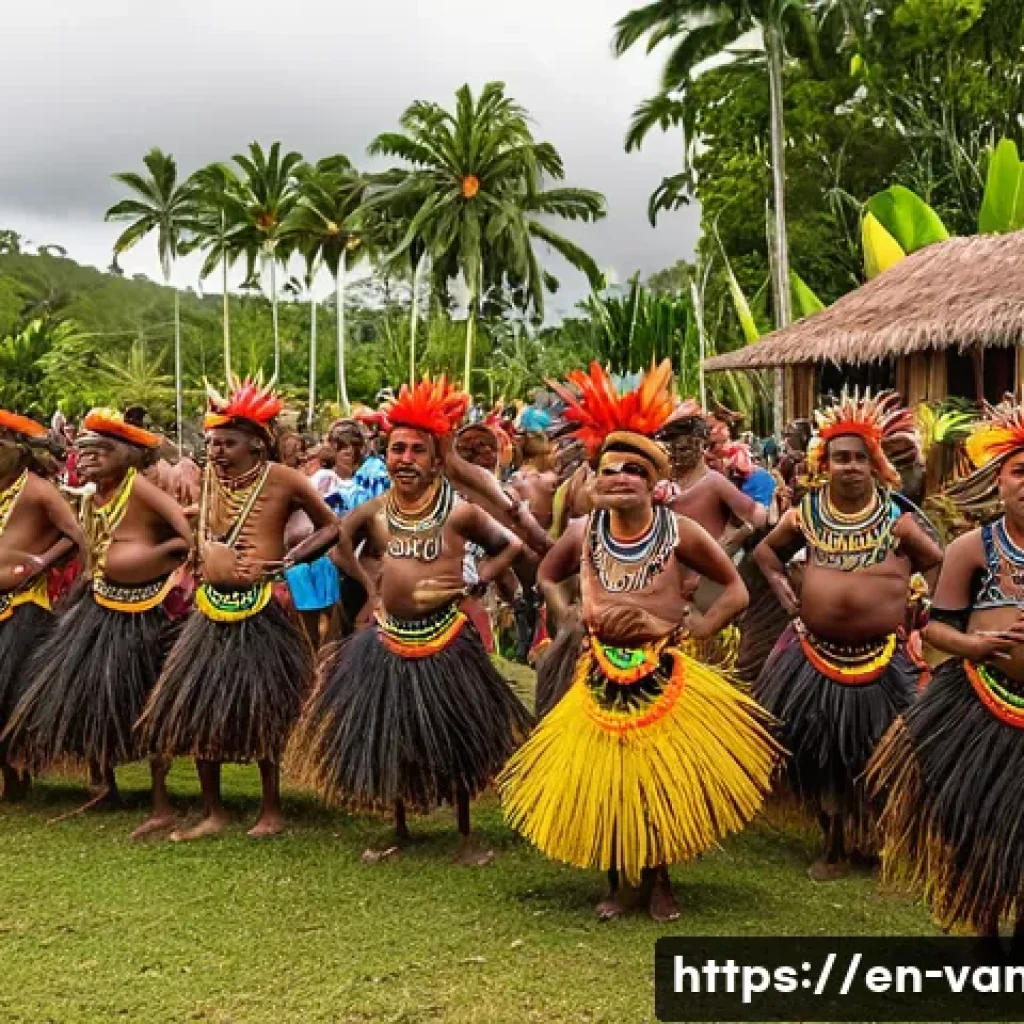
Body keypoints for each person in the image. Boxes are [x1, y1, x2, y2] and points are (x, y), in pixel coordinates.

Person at [499, 362, 781, 921]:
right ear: (596, 479)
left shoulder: (681, 532)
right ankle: (616, 881)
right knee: (606, 779)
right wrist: (568, 614)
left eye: (635, 469)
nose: (621, 478)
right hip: (598, 669)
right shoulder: (582, 533)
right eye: (611, 470)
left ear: (654, 481)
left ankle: (659, 880)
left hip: (663, 671)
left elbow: (734, 591)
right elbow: (546, 576)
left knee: (658, 779)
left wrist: (697, 627)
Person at [290, 375, 532, 865]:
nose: (404, 459)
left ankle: (466, 835)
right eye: (397, 448)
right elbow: (340, 540)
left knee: (457, 734)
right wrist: (370, 581)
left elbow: (511, 545)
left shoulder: (460, 512)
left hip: (447, 638)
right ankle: (400, 828)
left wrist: (479, 581)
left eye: (416, 450)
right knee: (392, 732)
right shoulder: (376, 511)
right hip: (387, 640)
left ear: (437, 458)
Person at [137, 376, 338, 840]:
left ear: (256, 445)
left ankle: (271, 809)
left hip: (260, 608)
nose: (217, 451)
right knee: (199, 705)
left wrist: (288, 561)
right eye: (212, 443)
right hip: (210, 609)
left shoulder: (285, 480)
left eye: (227, 443)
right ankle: (214, 810)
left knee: (263, 706)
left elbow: (332, 528)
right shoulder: (209, 483)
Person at [753, 390, 942, 880]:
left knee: (881, 753)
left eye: (860, 458)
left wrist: (924, 611)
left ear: (875, 464)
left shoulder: (898, 520)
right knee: (821, 754)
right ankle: (832, 840)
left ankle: (878, 837)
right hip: (814, 658)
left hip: (881, 661)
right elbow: (766, 556)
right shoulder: (806, 515)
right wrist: (789, 600)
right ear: (825, 463)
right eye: (841, 458)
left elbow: (937, 562)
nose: (851, 467)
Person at [867, 399, 1024, 941]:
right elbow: (935, 628)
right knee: (973, 815)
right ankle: (983, 925)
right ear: (996, 482)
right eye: (1020, 472)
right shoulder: (970, 548)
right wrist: (974, 644)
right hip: (978, 703)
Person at [5, 409, 192, 829]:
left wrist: (153, 561)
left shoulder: (139, 489)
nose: (85, 459)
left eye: (97, 452)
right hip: (95, 605)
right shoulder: (94, 494)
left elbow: (184, 536)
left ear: (124, 455)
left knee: (144, 697)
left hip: (141, 611)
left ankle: (161, 802)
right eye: (82, 452)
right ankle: (103, 786)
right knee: (89, 695)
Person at [0, 412, 85, 801]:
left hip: (23, 606)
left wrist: (43, 561)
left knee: (13, 690)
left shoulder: (37, 490)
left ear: (19, 452)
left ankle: (19, 774)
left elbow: (76, 535)